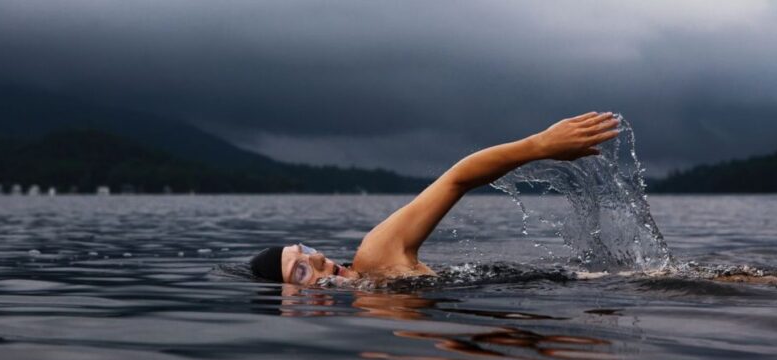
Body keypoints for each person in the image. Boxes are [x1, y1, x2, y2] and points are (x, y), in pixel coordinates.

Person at [249, 111, 621, 285]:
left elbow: (456, 179)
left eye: (305, 250)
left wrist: (539, 145)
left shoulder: (376, 257)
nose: (317, 258)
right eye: (300, 270)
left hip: (594, 285)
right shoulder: (371, 318)